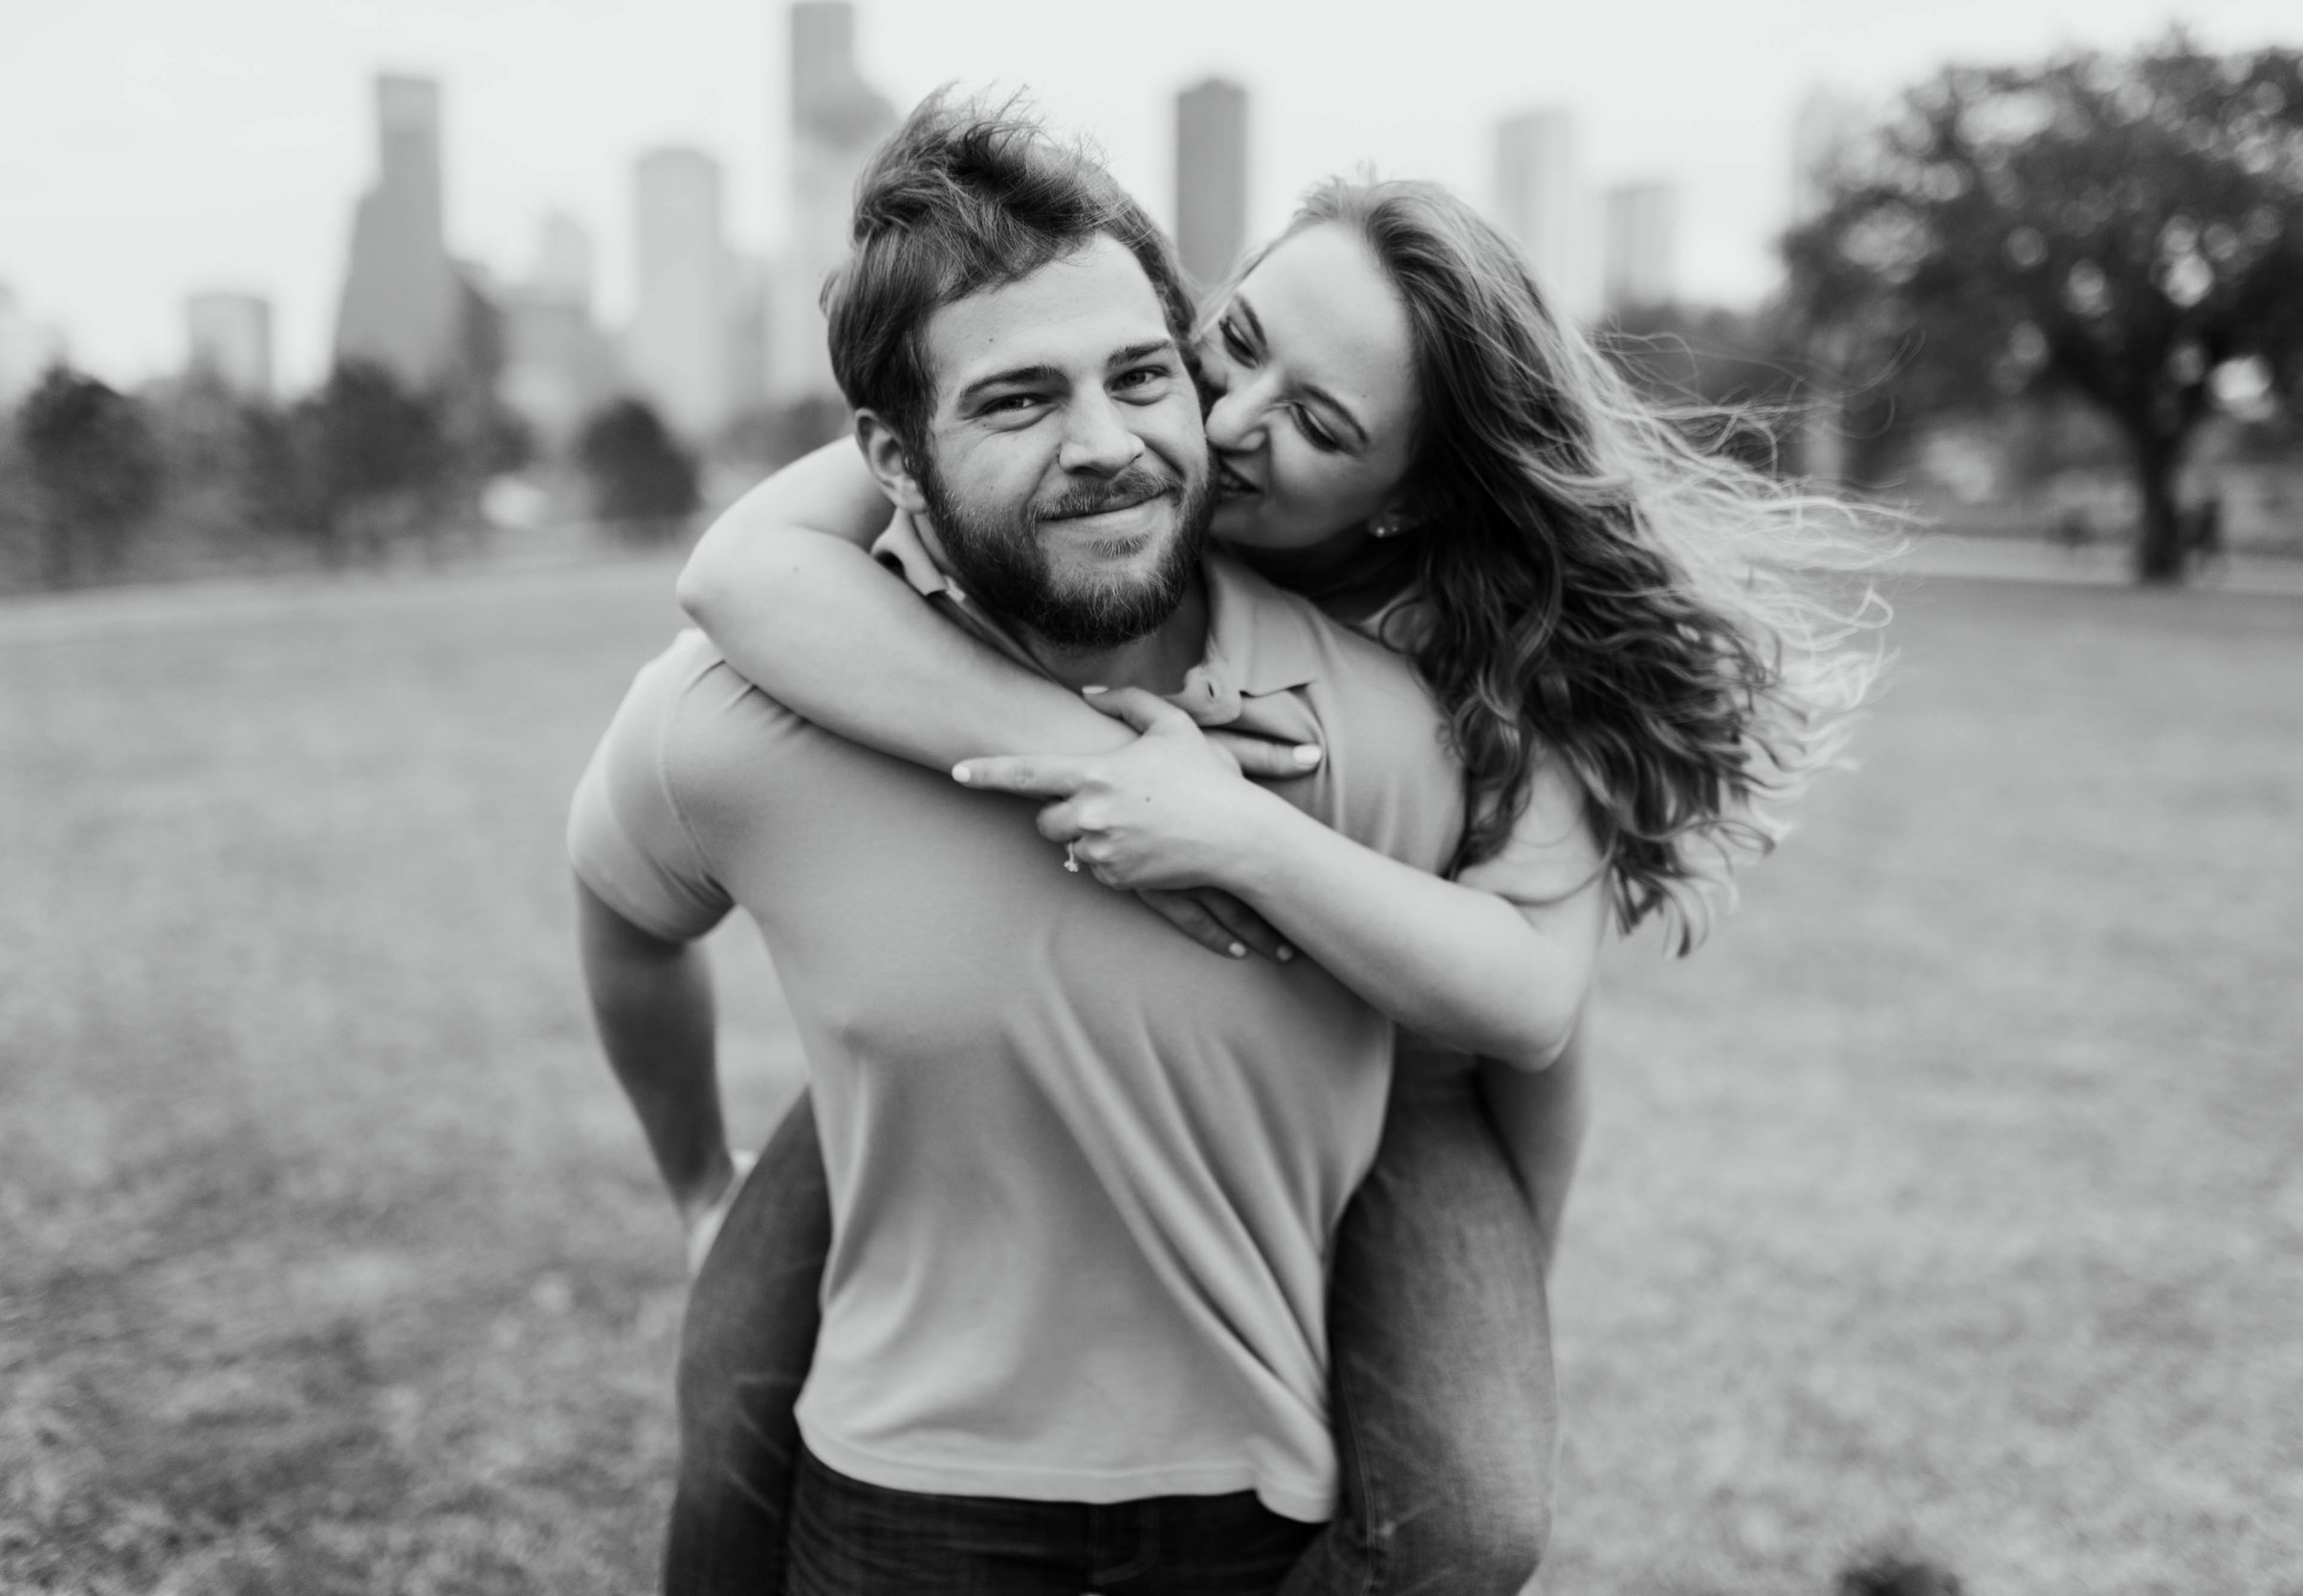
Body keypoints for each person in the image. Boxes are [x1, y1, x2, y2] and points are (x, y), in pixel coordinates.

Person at [668, 120, 1889, 1596]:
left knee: (1470, 1514)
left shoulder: (1498, 656)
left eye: (1318, 424)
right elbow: (737, 574)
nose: (1227, 415)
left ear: (1411, 489)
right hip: (1003, 1048)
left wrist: (1244, 834)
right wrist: (1118, 761)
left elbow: (1522, 1007)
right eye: (1229, 341)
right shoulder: (1084, 426)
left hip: (1401, 1057)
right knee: (733, 1378)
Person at [572, 96, 1489, 1594]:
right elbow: (618, 914)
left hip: (1261, 1506)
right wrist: (696, 1181)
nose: (1110, 446)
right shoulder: (728, 719)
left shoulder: (1374, 728)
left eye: (1144, 376)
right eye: (1016, 401)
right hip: (896, 1496)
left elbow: (1496, 1040)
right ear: (892, 455)